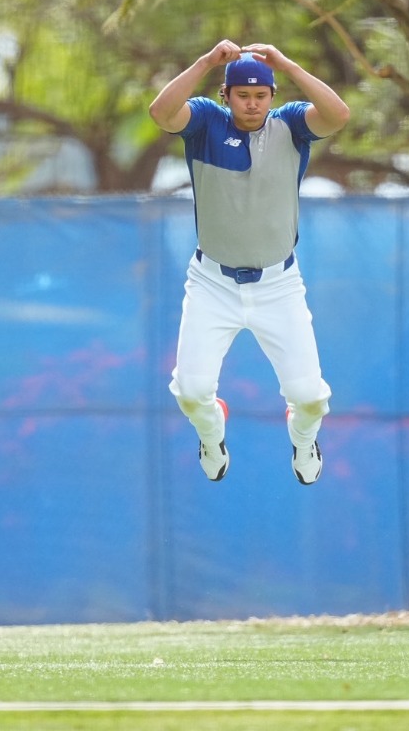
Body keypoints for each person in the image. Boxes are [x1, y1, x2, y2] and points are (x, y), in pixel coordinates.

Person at [149, 40, 350, 485]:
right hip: (211, 283)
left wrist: (286, 64)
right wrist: (205, 61)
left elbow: (338, 116)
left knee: (310, 398)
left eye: (261, 95)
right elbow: (162, 114)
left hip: (279, 284)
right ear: (226, 94)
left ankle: (303, 440)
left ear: (272, 97)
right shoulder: (203, 121)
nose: (252, 103)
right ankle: (210, 434)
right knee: (192, 391)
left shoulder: (292, 125)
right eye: (243, 94)